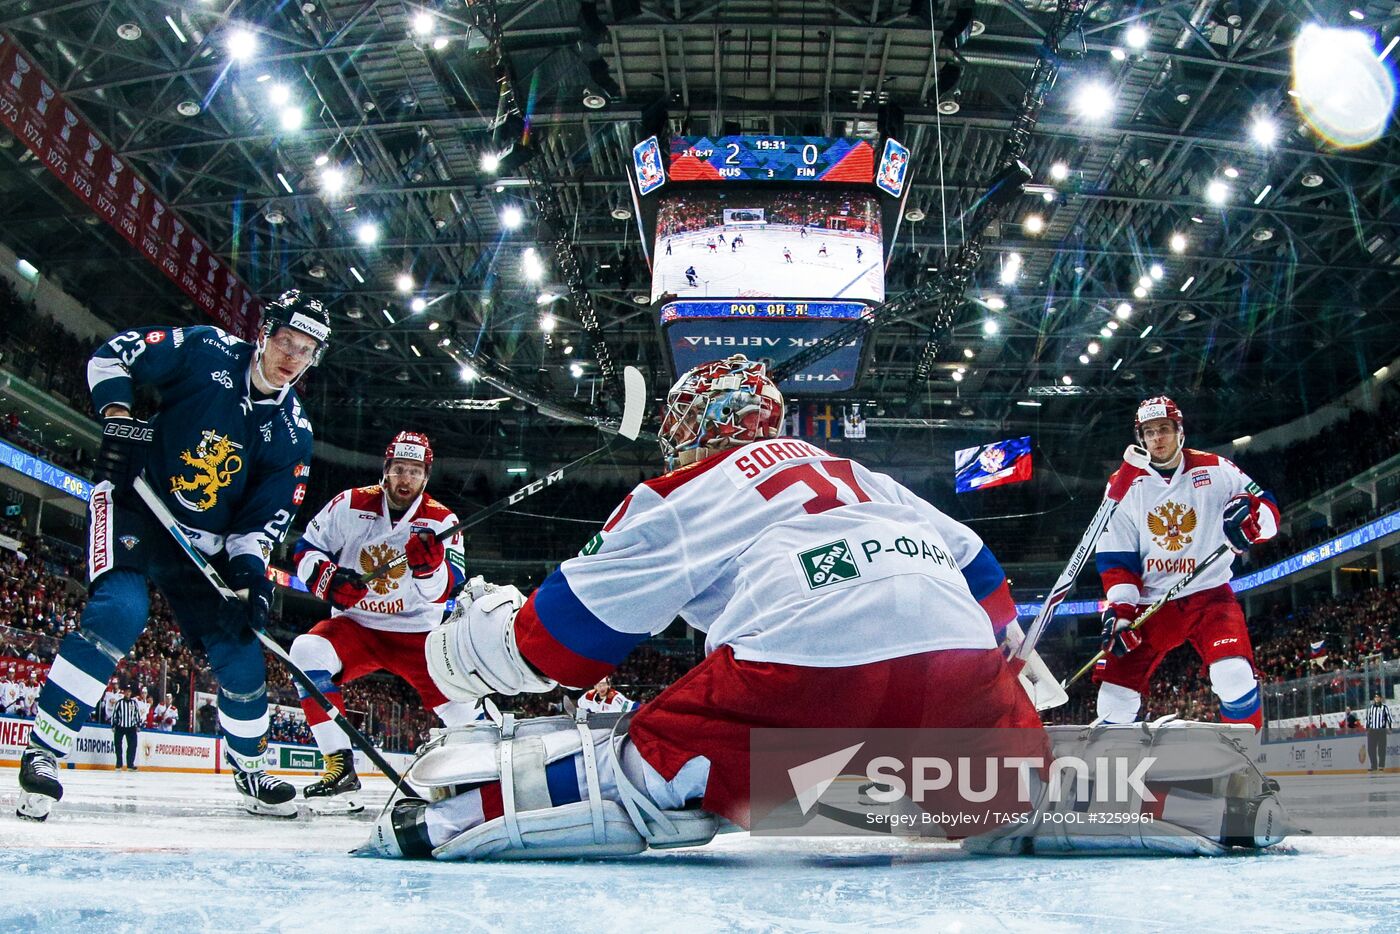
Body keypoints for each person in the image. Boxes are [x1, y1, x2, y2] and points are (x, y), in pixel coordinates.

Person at [364, 354, 1046, 859]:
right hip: (964, 677)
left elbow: (562, 648)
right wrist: (1006, 665)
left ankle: (442, 824)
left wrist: (470, 641)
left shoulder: (684, 491)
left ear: (702, 423)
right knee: (1009, 784)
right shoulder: (864, 475)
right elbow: (983, 575)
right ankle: (1036, 793)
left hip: (798, 681)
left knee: (643, 764)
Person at [17, 290, 330, 822]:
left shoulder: (294, 434)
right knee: (120, 612)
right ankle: (44, 750)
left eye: (306, 351)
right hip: (137, 504)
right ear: (264, 333)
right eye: (286, 341)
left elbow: (260, 524)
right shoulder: (207, 350)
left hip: (202, 547)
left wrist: (249, 579)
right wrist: (118, 416)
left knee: (242, 654)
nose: (292, 358)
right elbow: (112, 356)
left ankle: (251, 768)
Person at [288, 432, 471, 811]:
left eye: (415, 472)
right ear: (385, 470)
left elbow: (447, 589)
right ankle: (339, 765)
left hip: (418, 635)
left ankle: (486, 775)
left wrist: (429, 569)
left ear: (426, 477)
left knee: (466, 714)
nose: (406, 479)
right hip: (356, 627)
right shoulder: (350, 503)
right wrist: (327, 579)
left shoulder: (442, 520)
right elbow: (306, 548)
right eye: (399, 469)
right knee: (305, 651)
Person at [1094, 396, 1280, 730]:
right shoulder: (1123, 484)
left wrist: (1254, 520)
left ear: (1180, 431)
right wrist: (1120, 613)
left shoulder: (1217, 468)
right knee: (1112, 701)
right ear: (1140, 438)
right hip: (1151, 606)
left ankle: (1244, 754)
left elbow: (1266, 507)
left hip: (1209, 596)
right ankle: (1114, 760)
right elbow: (1117, 556)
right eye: (1149, 432)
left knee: (1233, 676)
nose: (1157, 439)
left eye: (1164, 429)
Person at [111, 685, 141, 771]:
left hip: (131, 727)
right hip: (120, 727)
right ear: (124, 693)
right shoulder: (119, 703)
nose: (128, 693)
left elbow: (137, 714)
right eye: (126, 691)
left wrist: (138, 725)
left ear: (131, 693)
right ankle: (119, 764)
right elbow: (114, 714)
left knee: (132, 746)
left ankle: (130, 765)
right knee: (118, 746)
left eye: (129, 692)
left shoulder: (134, 703)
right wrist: (113, 725)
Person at [1366, 693, 1393, 772]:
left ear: (1381, 698)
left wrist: (1390, 728)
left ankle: (1381, 766)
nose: (1376, 699)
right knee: (1371, 749)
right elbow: (1368, 718)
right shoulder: (1371, 708)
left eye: (1378, 697)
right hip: (1372, 730)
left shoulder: (1385, 707)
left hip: (1381, 730)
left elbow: (1389, 718)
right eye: (1375, 697)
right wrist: (1367, 729)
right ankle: (1374, 766)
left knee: (1381, 748)